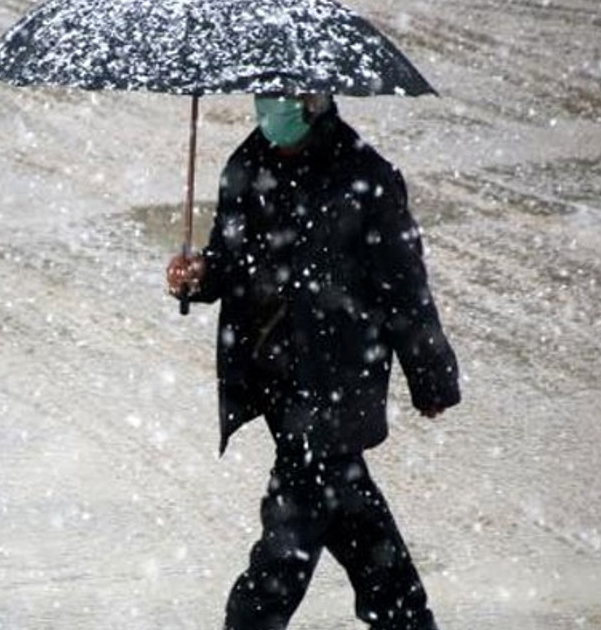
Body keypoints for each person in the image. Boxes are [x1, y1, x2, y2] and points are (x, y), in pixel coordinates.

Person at [166, 92, 460, 630]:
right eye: (265, 95)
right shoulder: (245, 168)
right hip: (274, 378)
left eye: (285, 96)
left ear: (317, 100)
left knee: (288, 542)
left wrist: (431, 378)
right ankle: (407, 622)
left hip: (339, 381)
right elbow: (231, 263)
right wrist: (199, 275)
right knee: (355, 519)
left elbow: (404, 289)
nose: (271, 107)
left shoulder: (365, 178)